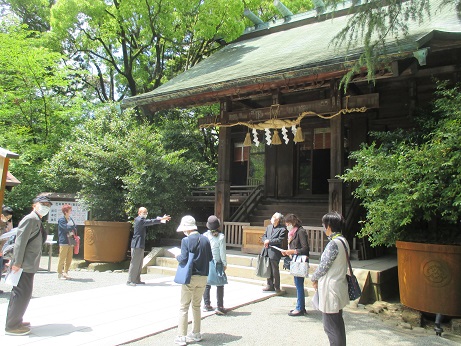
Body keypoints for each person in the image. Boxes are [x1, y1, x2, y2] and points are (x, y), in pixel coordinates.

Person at [5, 195, 51, 336]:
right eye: (42, 203)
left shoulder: (37, 220)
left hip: (28, 263)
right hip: (23, 264)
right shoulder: (30, 219)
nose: (45, 207)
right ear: (34, 205)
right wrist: (17, 262)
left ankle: (16, 320)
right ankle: (12, 325)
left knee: (23, 293)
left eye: (48, 205)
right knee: (21, 294)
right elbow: (20, 242)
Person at [311, 211, 350, 346]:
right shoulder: (343, 241)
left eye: (323, 225)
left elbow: (323, 266)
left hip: (330, 288)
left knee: (331, 327)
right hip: (339, 285)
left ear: (328, 226)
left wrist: (313, 277)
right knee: (337, 324)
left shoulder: (333, 243)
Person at [174, 215, 212, 346]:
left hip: (190, 276)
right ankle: (196, 333)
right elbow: (210, 258)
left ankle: (181, 336)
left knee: (184, 306)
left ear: (186, 228)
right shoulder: (206, 239)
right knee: (196, 305)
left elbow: (183, 259)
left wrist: (177, 256)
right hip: (203, 277)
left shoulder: (186, 241)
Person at [127, 207, 171, 286]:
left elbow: (149, 221)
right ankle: (130, 280)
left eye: (146, 212)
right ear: (139, 213)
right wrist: (160, 220)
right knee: (135, 263)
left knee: (140, 263)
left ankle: (136, 279)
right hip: (136, 244)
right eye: (143, 212)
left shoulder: (142, 220)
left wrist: (161, 219)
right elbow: (150, 221)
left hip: (140, 244)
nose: (145, 214)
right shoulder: (139, 220)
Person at [281, 213, 309, 316]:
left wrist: (292, 251)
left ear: (293, 223)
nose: (287, 225)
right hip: (294, 260)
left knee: (299, 285)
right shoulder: (292, 233)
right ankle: (300, 306)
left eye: (288, 223)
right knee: (297, 284)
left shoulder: (300, 232)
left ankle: (300, 308)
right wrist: (288, 252)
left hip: (299, 261)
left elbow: (305, 248)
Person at [202, 215, 227, 315]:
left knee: (206, 283)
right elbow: (222, 252)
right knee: (220, 284)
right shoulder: (221, 237)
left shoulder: (204, 236)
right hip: (217, 262)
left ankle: (206, 304)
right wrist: (224, 263)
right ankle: (220, 306)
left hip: (206, 262)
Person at [261, 212, 286, 294]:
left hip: (274, 252)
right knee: (268, 269)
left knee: (275, 270)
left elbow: (279, 240)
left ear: (278, 219)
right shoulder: (269, 227)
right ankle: (269, 285)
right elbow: (264, 236)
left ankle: (277, 287)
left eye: (274, 217)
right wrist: (265, 240)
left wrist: (269, 241)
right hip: (267, 250)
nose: (272, 218)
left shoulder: (282, 229)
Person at [57, 204, 77, 280]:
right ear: (65, 211)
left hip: (71, 240)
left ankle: (66, 272)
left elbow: (74, 227)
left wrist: (71, 227)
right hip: (64, 240)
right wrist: (71, 227)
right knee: (62, 257)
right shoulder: (61, 220)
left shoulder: (70, 219)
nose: (71, 211)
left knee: (69, 257)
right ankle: (59, 273)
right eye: (70, 210)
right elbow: (66, 228)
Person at [1, 206, 14, 293]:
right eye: (7, 217)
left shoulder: (6, 223)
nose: (8, 219)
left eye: (9, 217)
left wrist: (9, 222)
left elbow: (11, 230)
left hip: (3, 249)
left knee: (1, 268)